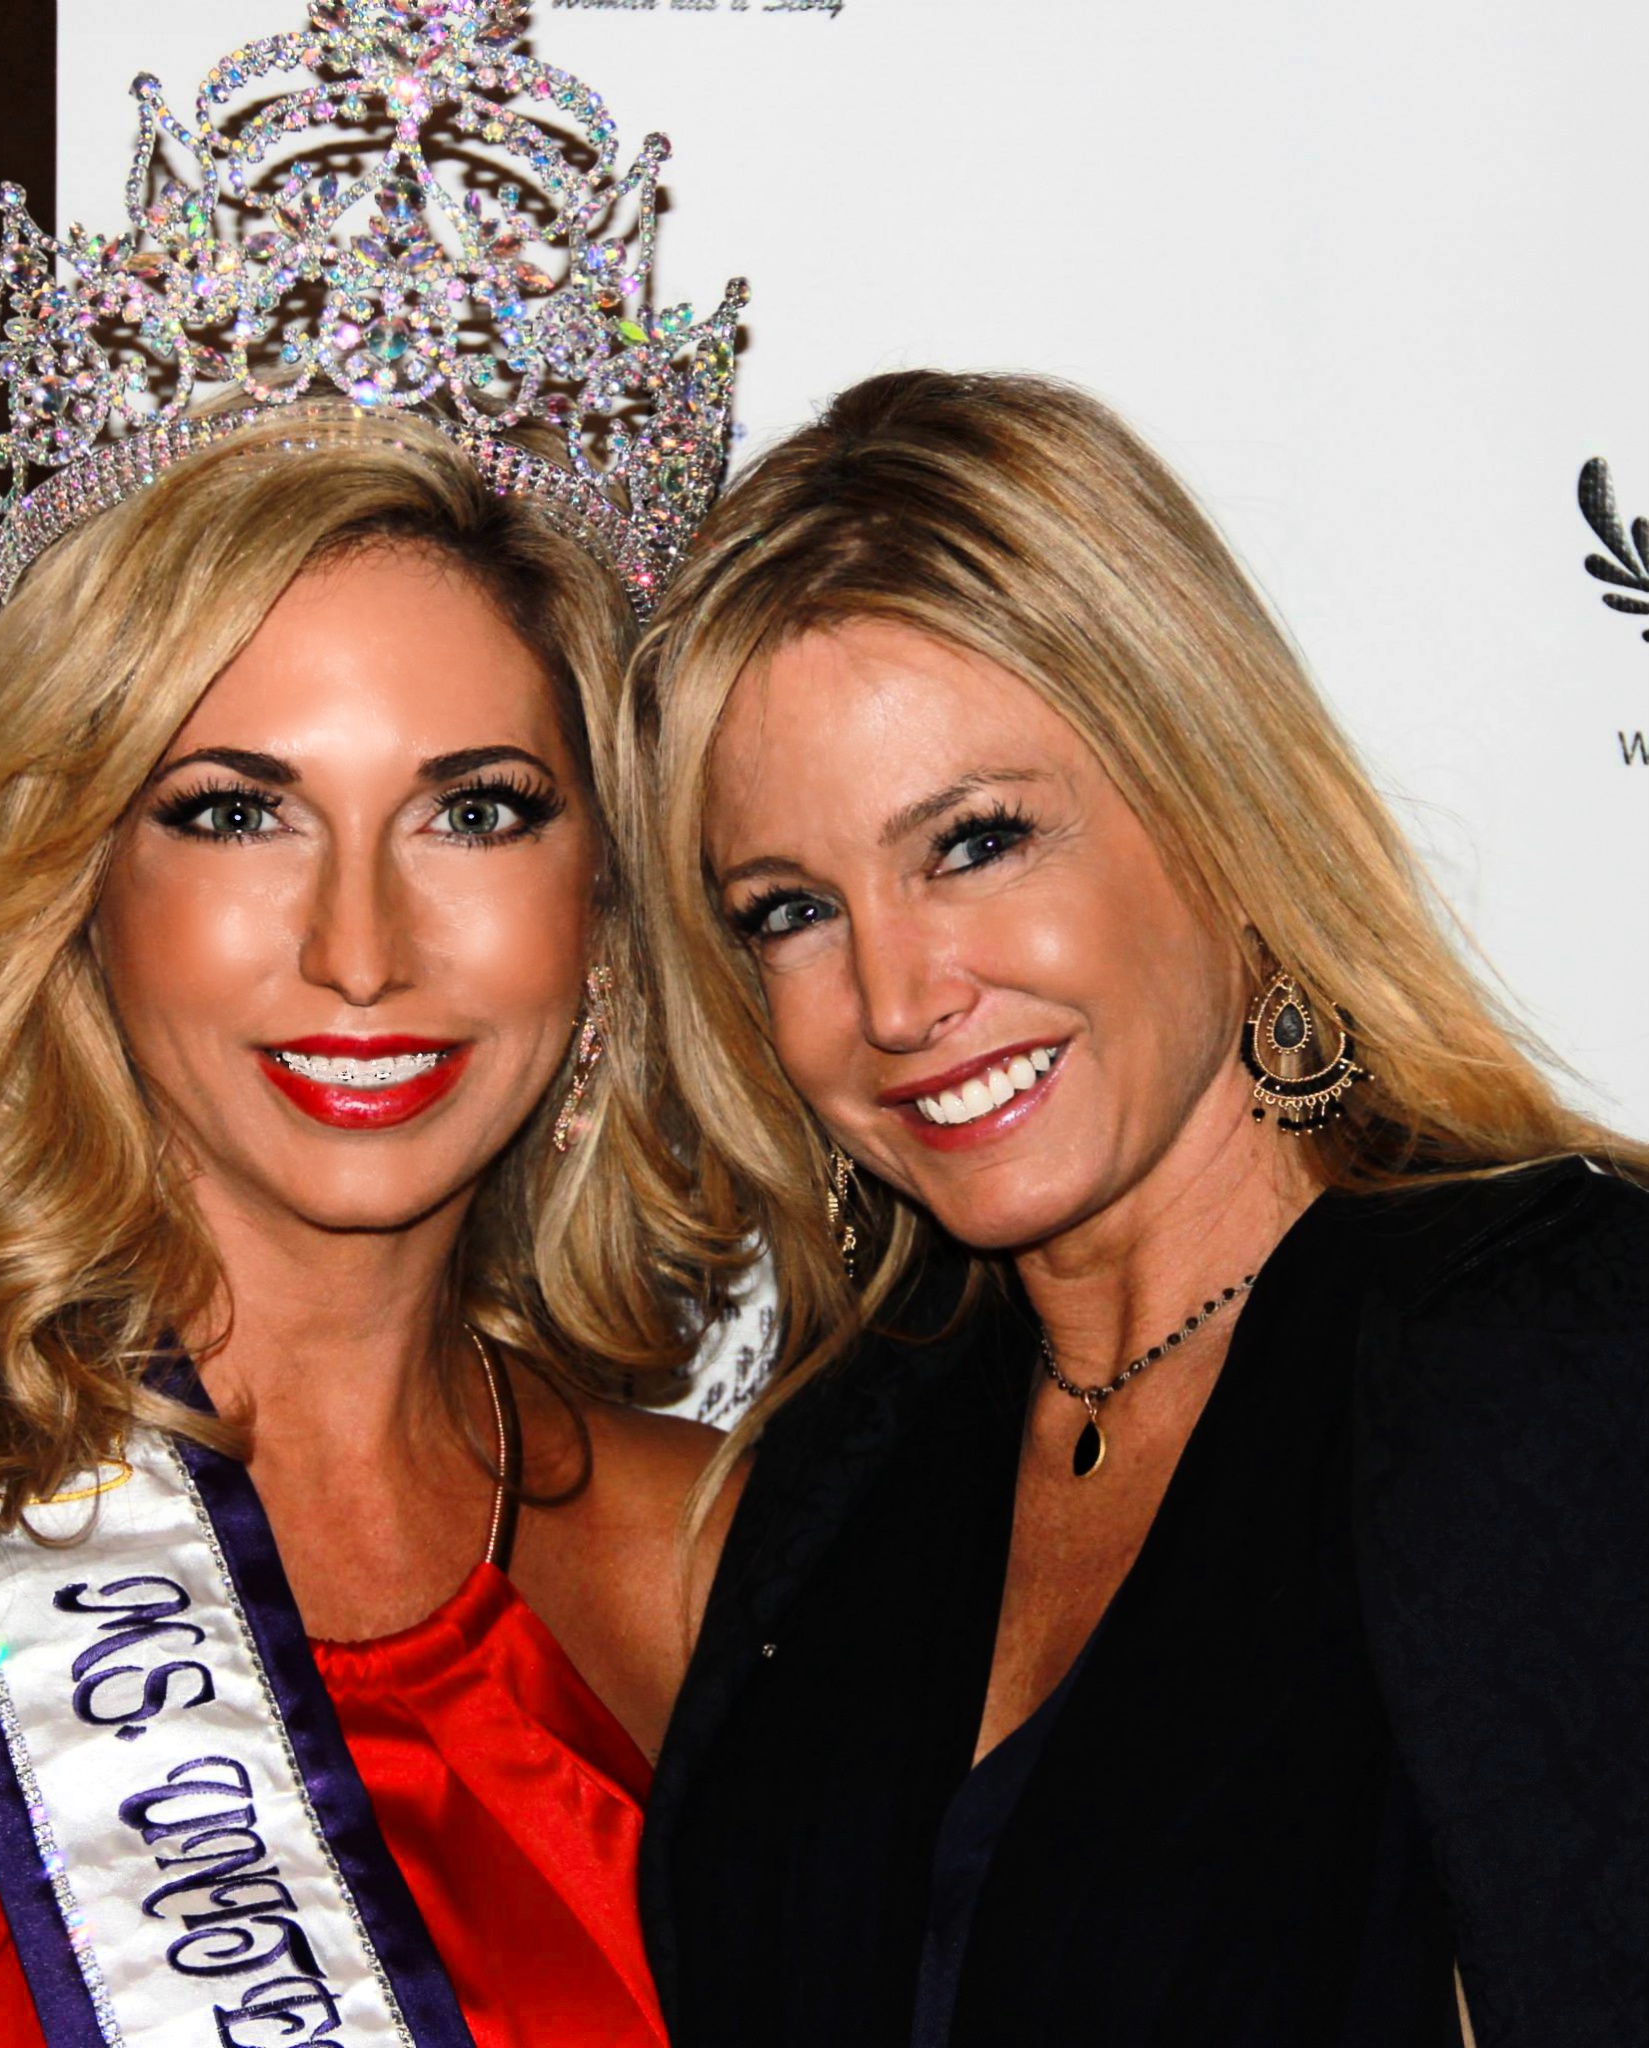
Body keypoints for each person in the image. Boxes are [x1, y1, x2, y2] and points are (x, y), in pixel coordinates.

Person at [0, 4, 751, 2040]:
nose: (359, 943)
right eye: (235, 808)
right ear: (82, 878)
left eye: (476, 808)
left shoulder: (707, 1563)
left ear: (603, 903)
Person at [630, 369, 1649, 2047]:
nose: (892, 997)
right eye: (790, 909)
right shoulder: (838, 1470)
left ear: (1212, 803)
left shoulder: (1552, 1351)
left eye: (973, 843)